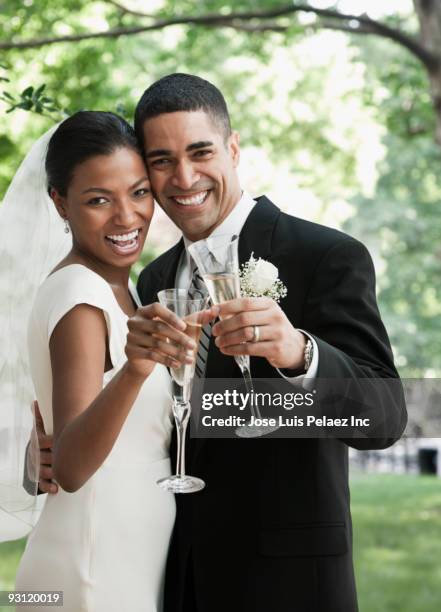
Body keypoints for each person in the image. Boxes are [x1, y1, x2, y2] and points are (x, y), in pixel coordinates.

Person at [32, 75, 407, 611]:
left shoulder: (324, 255)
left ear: (233, 148)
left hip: (290, 584)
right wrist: (47, 451)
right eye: (160, 161)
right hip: (176, 576)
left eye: (200, 151)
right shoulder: (150, 279)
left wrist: (299, 353)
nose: (183, 177)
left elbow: (387, 417)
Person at [3, 111, 213, 612]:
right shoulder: (81, 295)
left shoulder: (126, 293)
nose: (127, 217)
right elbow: (73, 467)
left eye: (139, 193)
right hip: (92, 562)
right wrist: (135, 370)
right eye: (99, 200)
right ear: (60, 203)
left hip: (126, 549)